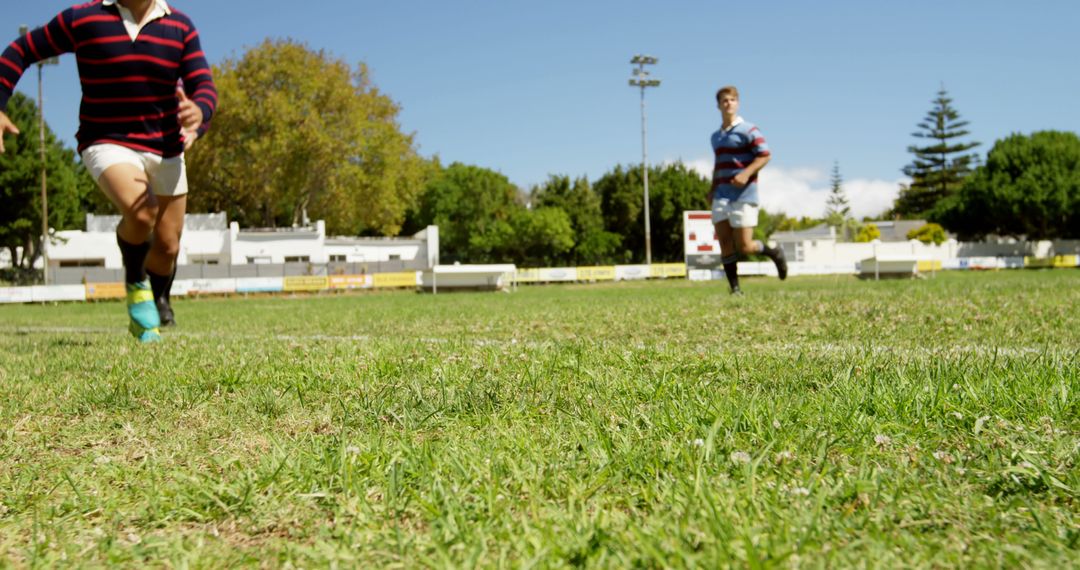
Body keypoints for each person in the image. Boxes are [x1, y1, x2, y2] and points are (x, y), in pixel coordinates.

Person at [0, 0, 217, 342]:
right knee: (142, 211)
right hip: (106, 140)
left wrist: (199, 112)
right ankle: (135, 282)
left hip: (166, 148)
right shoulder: (84, 18)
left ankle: (159, 296)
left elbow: (204, 86)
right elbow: (22, 50)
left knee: (168, 245)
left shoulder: (181, 27)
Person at [709, 85, 786, 295]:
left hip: (744, 194)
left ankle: (774, 252)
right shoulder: (715, 137)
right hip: (721, 195)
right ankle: (735, 289)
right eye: (724, 100)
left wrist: (746, 173)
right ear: (718, 105)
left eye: (732, 100)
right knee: (724, 242)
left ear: (737, 103)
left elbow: (765, 155)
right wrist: (712, 188)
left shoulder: (749, 129)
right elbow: (718, 165)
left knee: (744, 246)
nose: (728, 104)